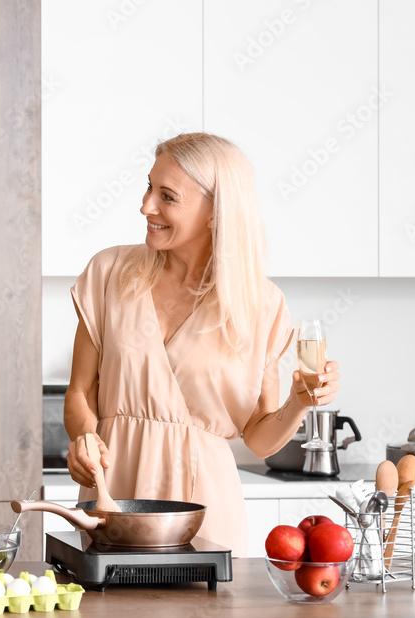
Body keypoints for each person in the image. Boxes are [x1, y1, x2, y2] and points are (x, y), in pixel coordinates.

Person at [63, 132, 340, 554]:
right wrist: (85, 438)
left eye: (167, 196)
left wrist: (299, 402)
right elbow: (80, 392)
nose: (146, 206)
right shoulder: (109, 272)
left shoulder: (259, 305)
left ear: (215, 212)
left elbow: (260, 437)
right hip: (112, 500)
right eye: (148, 186)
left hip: (205, 512)